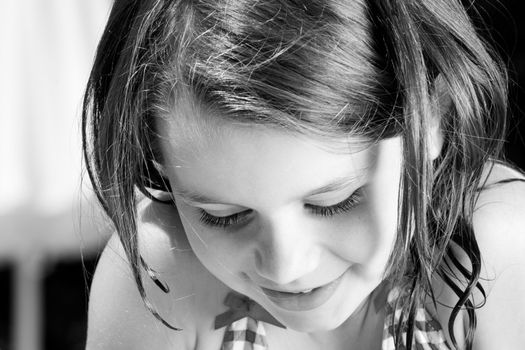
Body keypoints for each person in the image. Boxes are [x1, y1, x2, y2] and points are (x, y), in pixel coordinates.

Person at [82, 0, 525, 349]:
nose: (286, 266)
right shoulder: (165, 276)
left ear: (432, 119)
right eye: (223, 215)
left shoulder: (493, 252)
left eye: (335, 202)